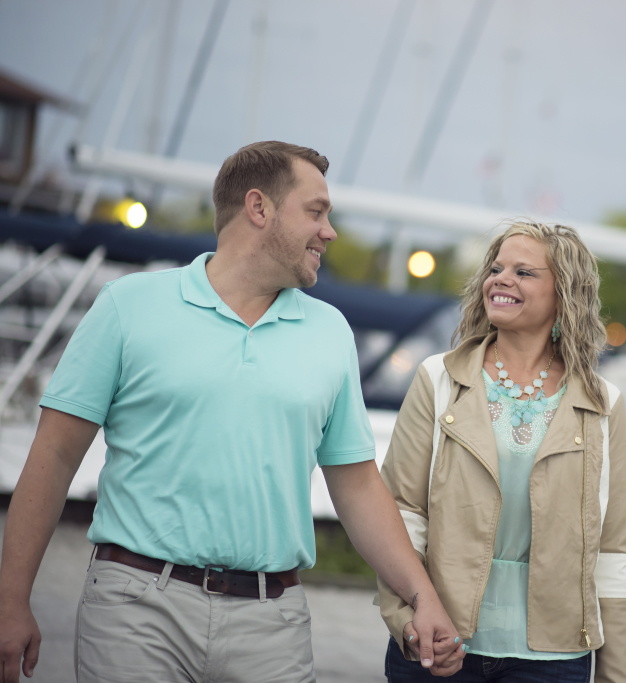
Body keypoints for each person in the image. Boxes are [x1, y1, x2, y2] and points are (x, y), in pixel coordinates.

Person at [0, 141, 464, 682]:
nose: (329, 232)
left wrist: (422, 598)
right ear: (258, 207)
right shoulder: (127, 305)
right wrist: (11, 601)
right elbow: (55, 455)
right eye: (316, 212)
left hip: (273, 625)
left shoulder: (331, 332)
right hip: (135, 609)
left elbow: (358, 485)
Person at [378, 220, 626, 682]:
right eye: (496, 269)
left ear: (564, 294)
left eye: (524, 272)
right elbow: (402, 514)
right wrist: (409, 621)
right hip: (438, 643)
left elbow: (613, 553)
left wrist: (617, 676)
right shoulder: (437, 379)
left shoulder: (603, 404)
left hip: (553, 661)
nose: (501, 280)